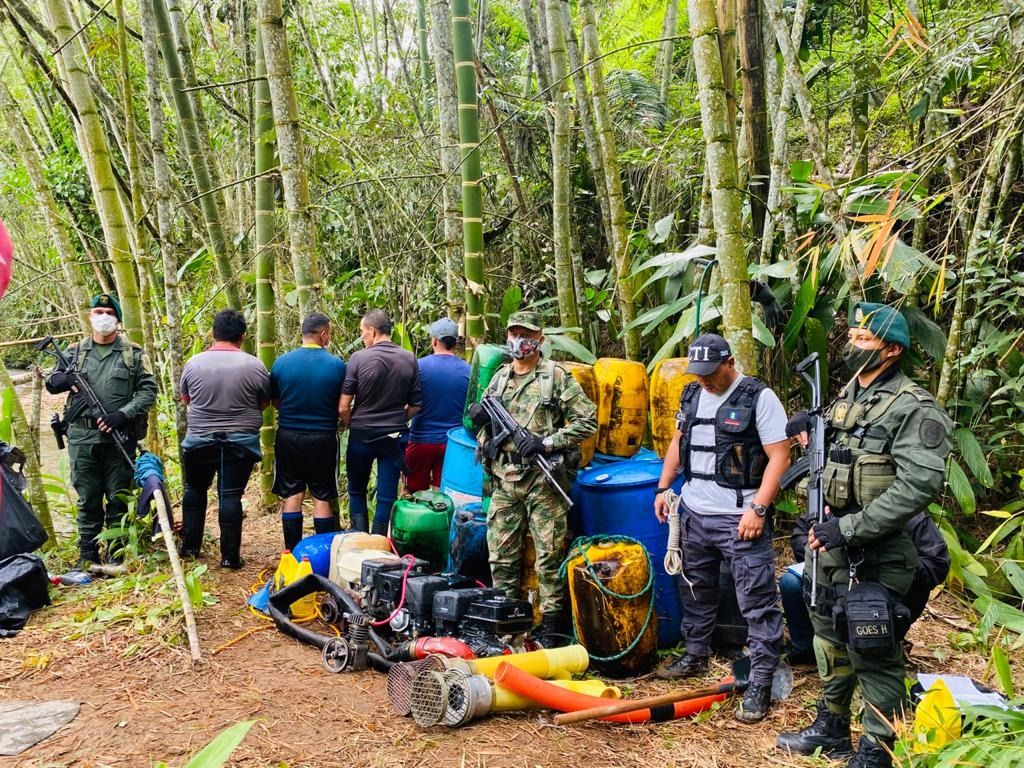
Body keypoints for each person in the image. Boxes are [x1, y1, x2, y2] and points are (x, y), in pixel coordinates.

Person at [776, 302, 953, 768]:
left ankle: (878, 748)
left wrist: (849, 527)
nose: (852, 345)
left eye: (863, 340)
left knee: (873, 649)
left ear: (891, 350)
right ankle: (832, 727)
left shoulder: (914, 408)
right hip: (829, 548)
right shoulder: (846, 398)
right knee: (830, 640)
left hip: (874, 553)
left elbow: (918, 485)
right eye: (852, 336)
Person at [652, 332, 790, 724]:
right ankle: (695, 654)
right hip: (695, 511)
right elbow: (679, 442)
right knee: (695, 588)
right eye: (699, 374)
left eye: (711, 373)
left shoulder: (758, 398)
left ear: (729, 362)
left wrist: (758, 508)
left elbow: (779, 455)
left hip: (739, 515)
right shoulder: (693, 394)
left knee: (756, 599)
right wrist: (664, 487)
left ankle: (761, 679)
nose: (706, 380)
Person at [470, 311, 597, 641]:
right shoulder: (499, 379)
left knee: (549, 560)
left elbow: (587, 422)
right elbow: (482, 426)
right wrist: (484, 435)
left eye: (526, 334)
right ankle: (505, 626)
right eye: (513, 333)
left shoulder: (555, 377)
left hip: (543, 482)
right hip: (503, 480)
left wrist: (546, 442)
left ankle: (552, 630)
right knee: (501, 557)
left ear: (540, 338)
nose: (518, 340)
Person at [44, 294, 157, 566]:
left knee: (119, 496)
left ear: (117, 319)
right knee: (87, 498)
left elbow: (149, 391)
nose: (103, 316)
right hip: (82, 438)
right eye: (98, 311)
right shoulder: (74, 352)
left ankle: (116, 554)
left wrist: (122, 415)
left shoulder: (133, 354)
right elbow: (52, 383)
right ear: (90, 316)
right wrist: (61, 380)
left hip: (119, 438)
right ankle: (87, 556)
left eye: (108, 311)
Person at [780, 511, 950, 666]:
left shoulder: (907, 510)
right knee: (791, 582)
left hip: (884, 596)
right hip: (833, 585)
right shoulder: (833, 502)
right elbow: (800, 533)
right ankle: (806, 647)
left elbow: (936, 563)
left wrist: (893, 566)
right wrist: (828, 555)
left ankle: (880, 645)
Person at [179, 309, 270, 568]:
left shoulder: (194, 363)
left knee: (194, 490)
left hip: (199, 440)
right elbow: (263, 401)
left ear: (212, 333)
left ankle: (189, 548)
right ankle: (230, 557)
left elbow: (186, 399)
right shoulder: (255, 365)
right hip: (239, 442)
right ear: (243, 336)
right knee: (230, 496)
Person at [269, 313, 347, 550]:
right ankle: (322, 554)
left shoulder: (281, 363)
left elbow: (274, 400)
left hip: (289, 435)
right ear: (323, 335)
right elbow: (342, 404)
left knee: (293, 495)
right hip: (323, 436)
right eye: (329, 334)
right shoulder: (337, 365)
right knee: (321, 497)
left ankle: (291, 552)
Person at [340, 309, 421, 534]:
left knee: (356, 490)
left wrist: (350, 423)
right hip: (393, 437)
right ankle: (378, 542)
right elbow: (416, 405)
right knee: (387, 495)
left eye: (362, 332)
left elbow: (343, 406)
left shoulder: (358, 358)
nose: (362, 337)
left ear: (372, 331)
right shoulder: (409, 358)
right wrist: (397, 420)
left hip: (361, 435)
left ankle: (358, 536)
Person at [405, 318, 471, 492]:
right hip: (453, 443)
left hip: (421, 440)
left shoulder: (418, 367)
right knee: (443, 495)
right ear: (455, 343)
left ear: (434, 340)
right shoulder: (469, 370)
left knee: (411, 494)